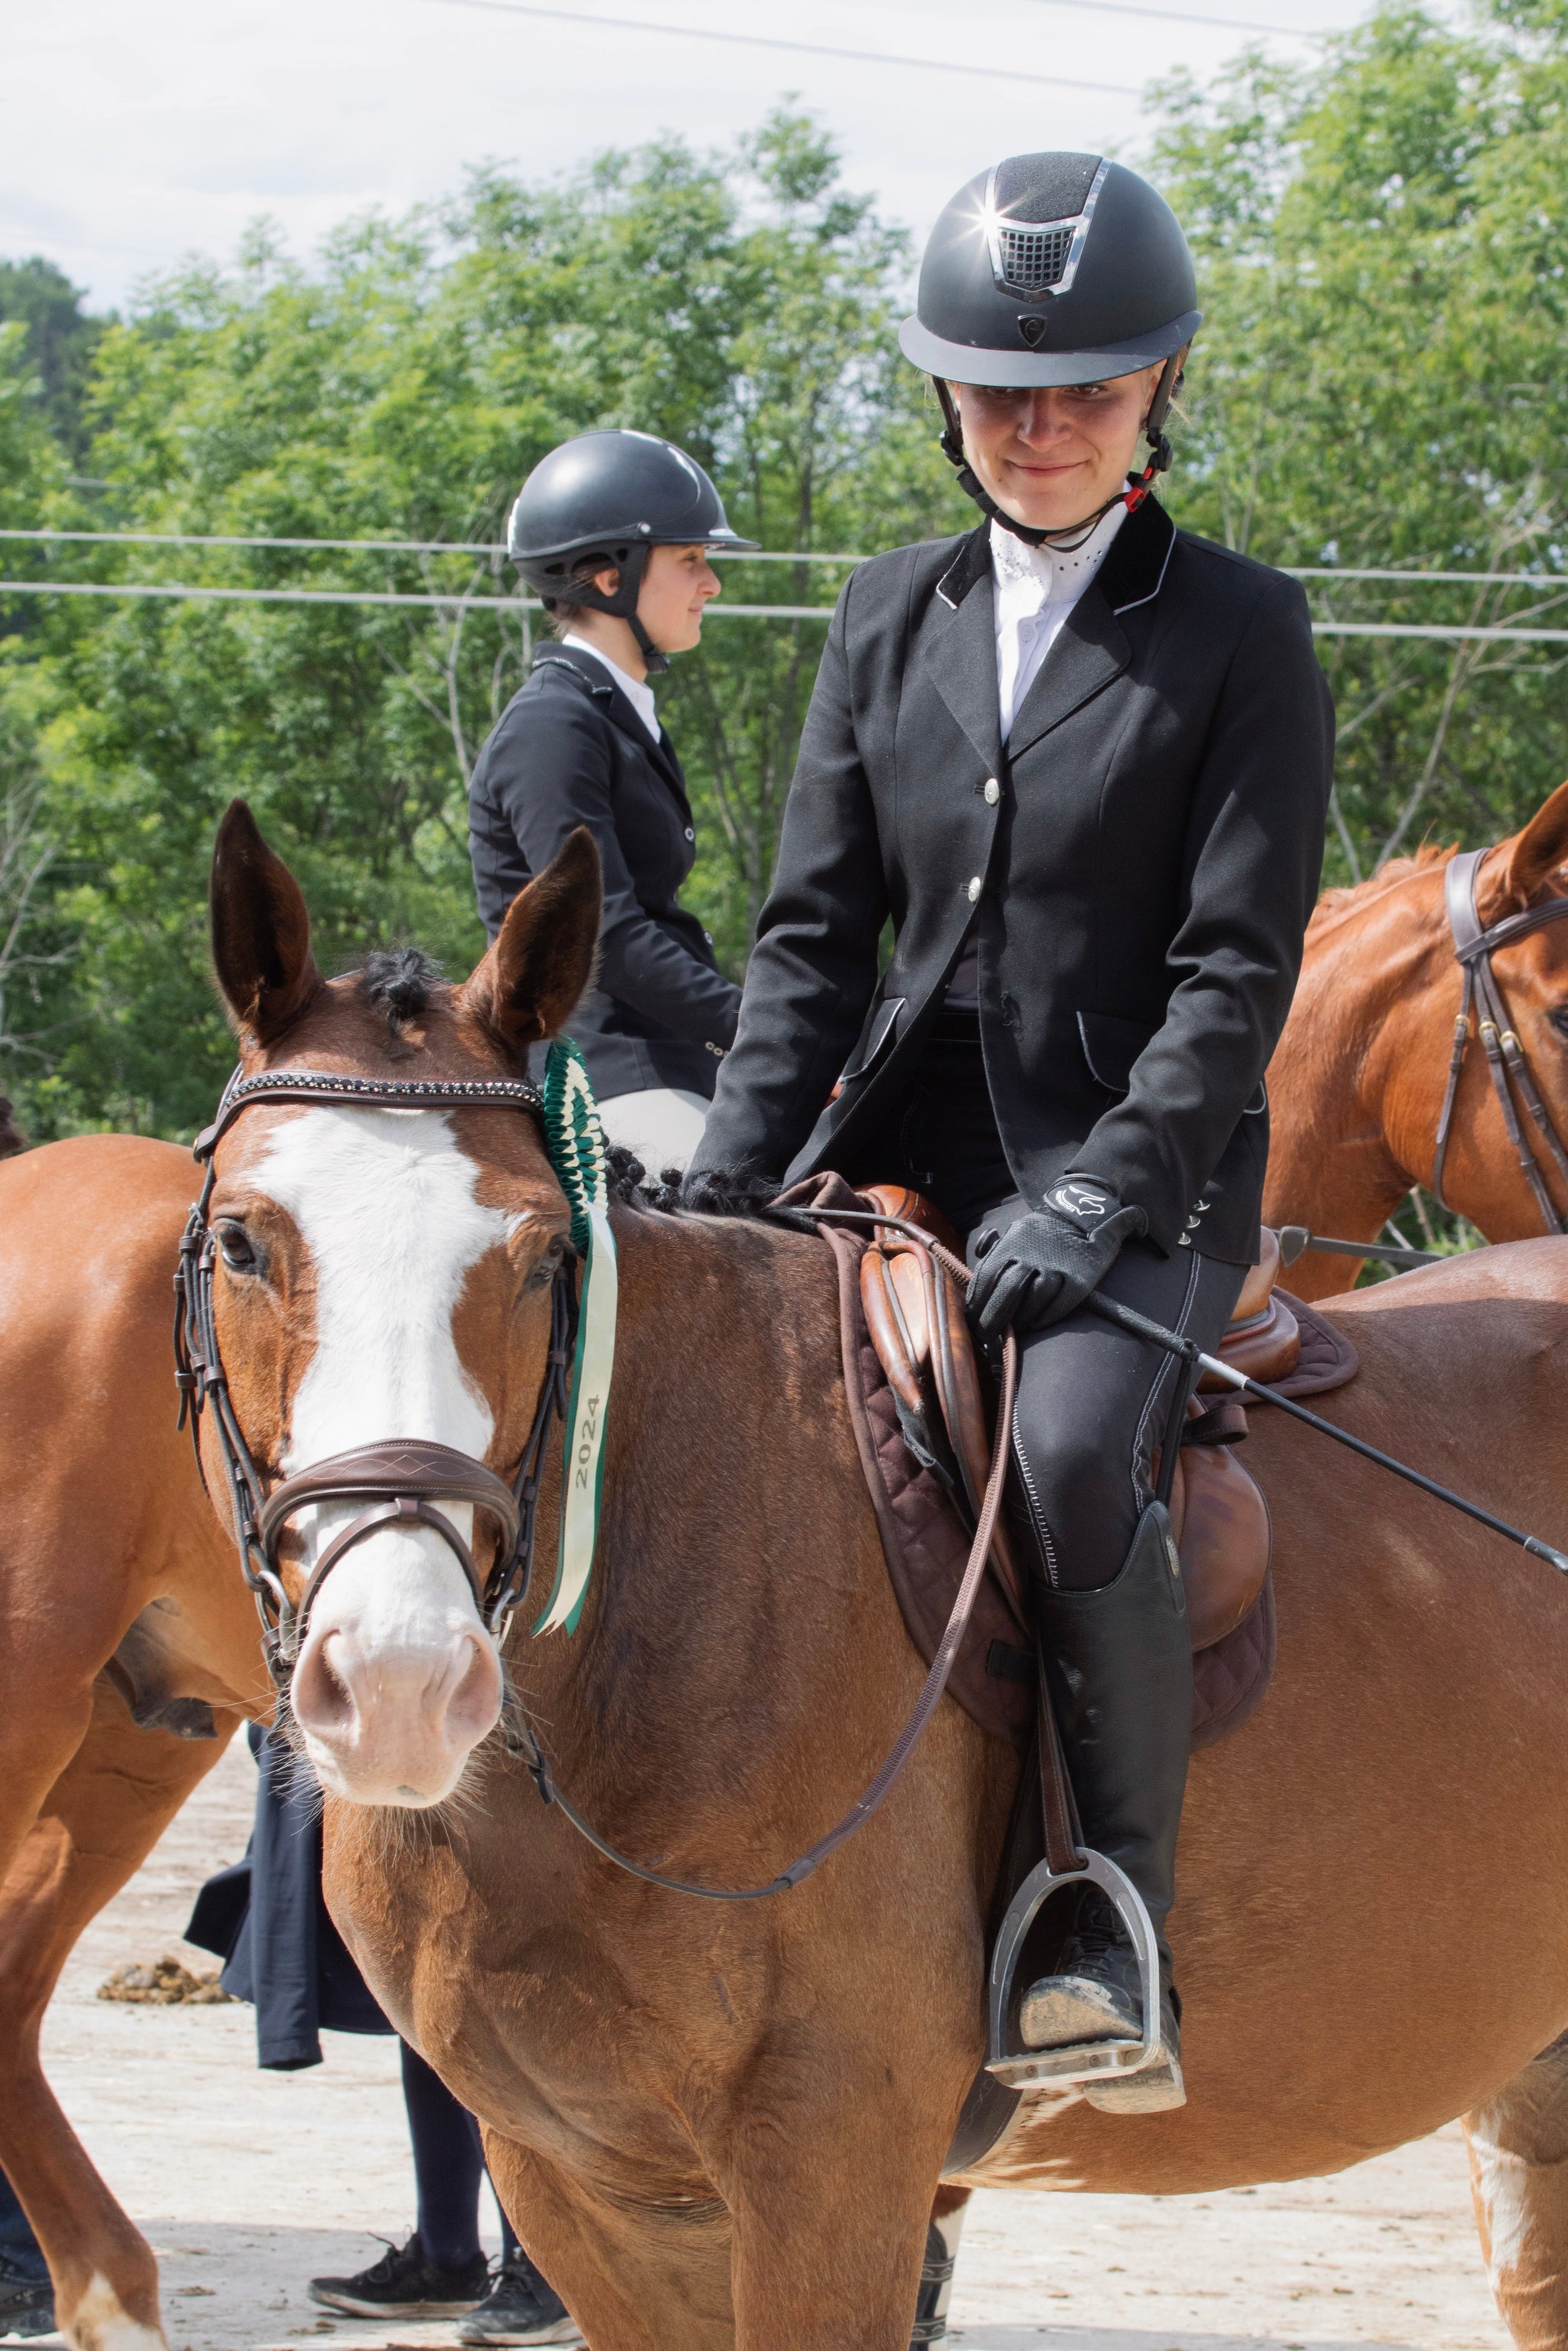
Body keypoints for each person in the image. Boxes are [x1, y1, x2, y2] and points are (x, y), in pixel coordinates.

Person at [686, 152, 1334, 2108]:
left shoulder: (1237, 629)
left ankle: (1097, 1919)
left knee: (1059, 1450)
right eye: (996, 391)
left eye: (1085, 391)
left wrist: (1106, 1191)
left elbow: (1233, 976)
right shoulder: (885, 612)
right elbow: (808, 937)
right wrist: (719, 1182)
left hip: (1141, 1160)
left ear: (1158, 391)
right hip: (901, 1133)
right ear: (944, 399)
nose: (1037, 428)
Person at [188, 1729, 578, 2344]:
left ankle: (549, 2268)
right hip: (371, 1720)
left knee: (488, 1980)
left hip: (469, 1714)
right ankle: (447, 2251)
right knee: (424, 1983)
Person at [468, 429, 755, 1176]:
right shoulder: (553, 725)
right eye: (690, 560)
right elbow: (611, 935)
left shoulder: (614, 710)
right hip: (600, 1069)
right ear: (607, 577)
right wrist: (755, 1026)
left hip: (666, 1057)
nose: (710, 583)